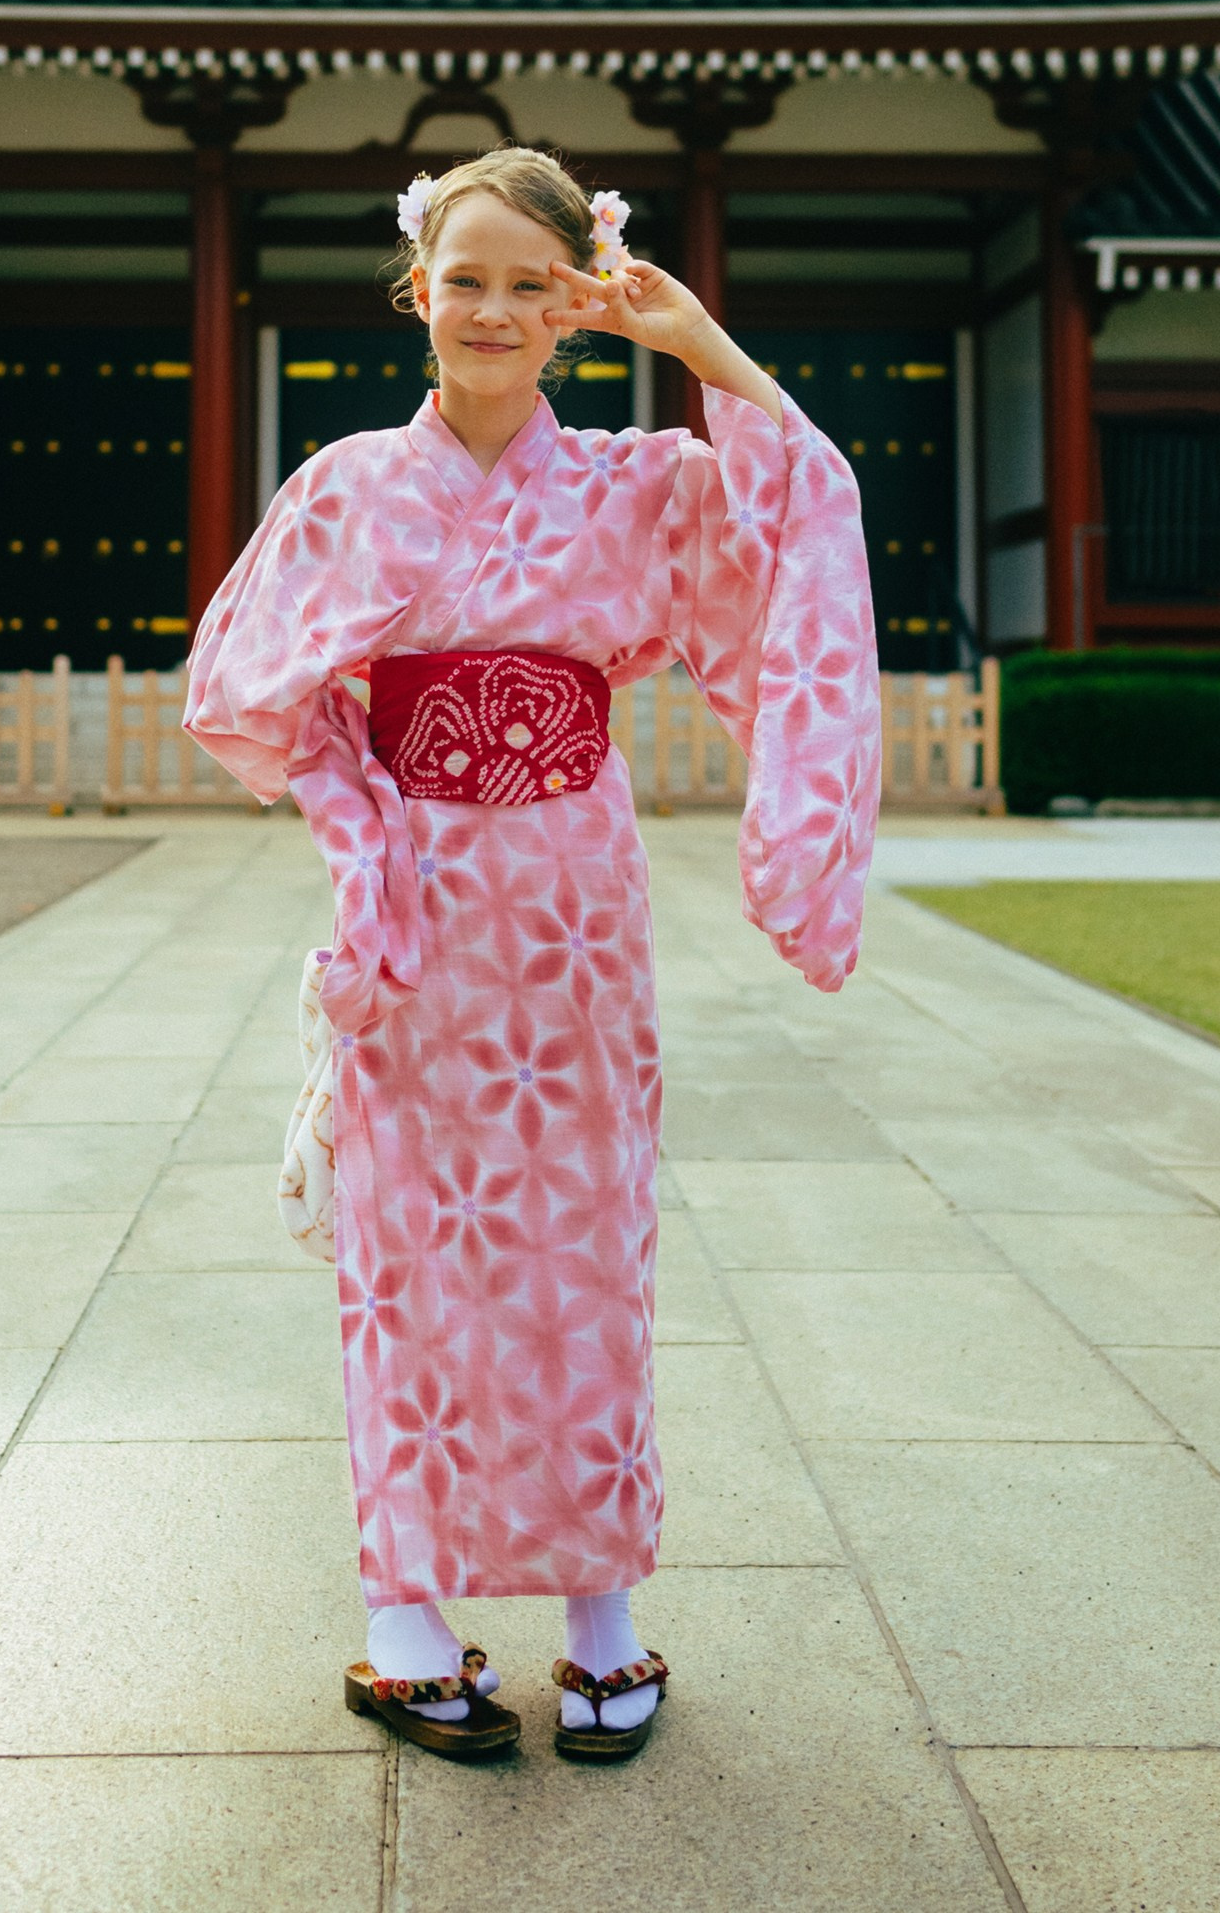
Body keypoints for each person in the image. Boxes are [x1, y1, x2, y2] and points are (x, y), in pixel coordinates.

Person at [184, 147, 879, 1762]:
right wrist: (364, 843)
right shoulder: (352, 483)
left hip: (575, 906)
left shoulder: (641, 482)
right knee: (409, 1257)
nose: (491, 310)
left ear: (575, 305)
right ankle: (406, 1627)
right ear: (418, 289)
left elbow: (807, 501)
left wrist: (700, 347)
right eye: (465, 276)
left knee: (584, 1254)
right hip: (415, 910)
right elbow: (244, 692)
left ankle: (601, 1617)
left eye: (528, 283)